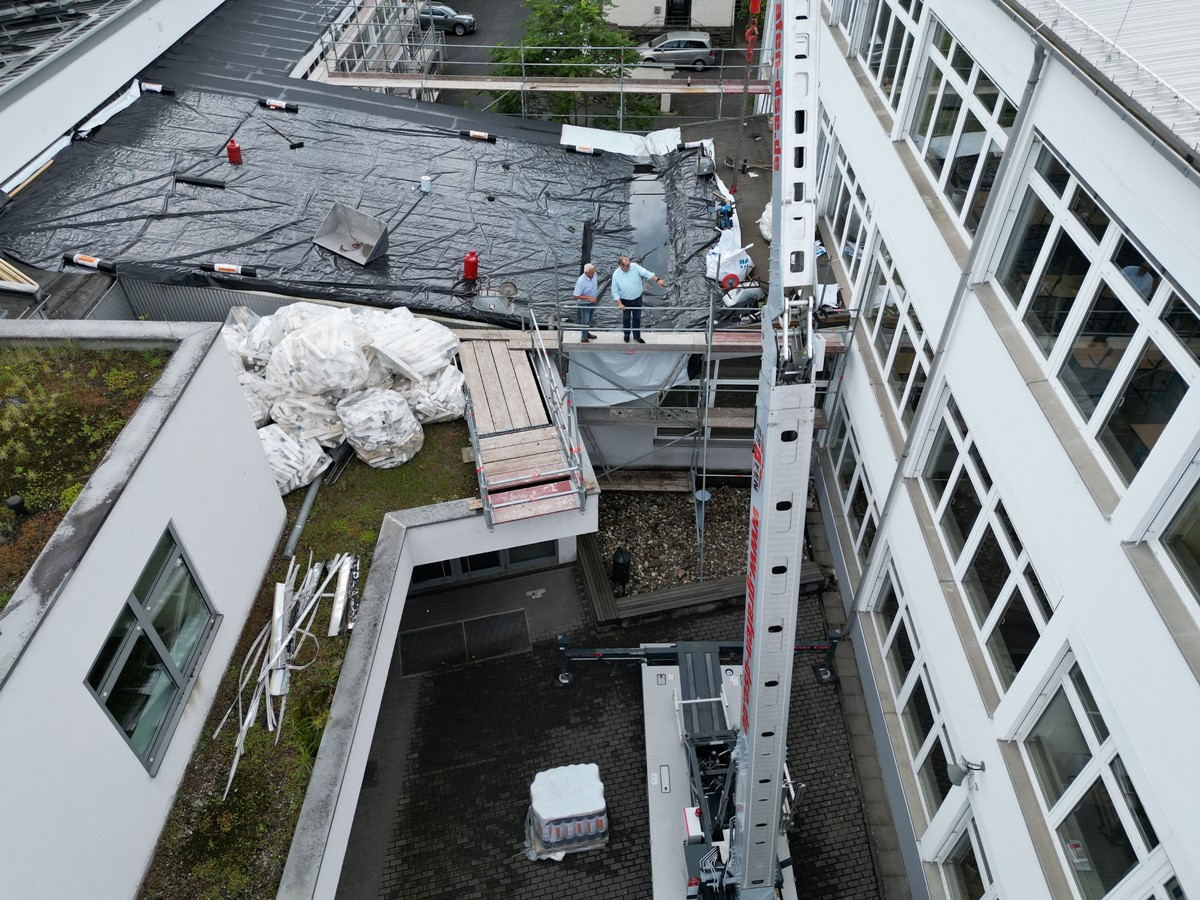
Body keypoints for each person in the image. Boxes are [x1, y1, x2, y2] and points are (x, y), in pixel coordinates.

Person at [611, 254, 667, 343]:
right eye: (627, 265)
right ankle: (626, 334)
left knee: (637, 318)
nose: (629, 266)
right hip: (625, 301)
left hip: (637, 299)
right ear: (621, 265)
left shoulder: (634, 267)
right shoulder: (616, 275)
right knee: (626, 318)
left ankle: (637, 336)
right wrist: (619, 303)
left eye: (629, 263)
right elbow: (614, 291)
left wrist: (658, 280)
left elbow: (646, 273)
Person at [573, 262, 599, 341]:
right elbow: (575, 295)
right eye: (592, 272)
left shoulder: (594, 275)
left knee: (590, 319)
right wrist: (588, 297)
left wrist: (593, 298)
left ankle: (586, 333)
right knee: (585, 320)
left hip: (592, 302)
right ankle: (583, 338)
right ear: (586, 273)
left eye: (594, 271)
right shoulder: (581, 282)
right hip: (584, 303)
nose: (594, 273)